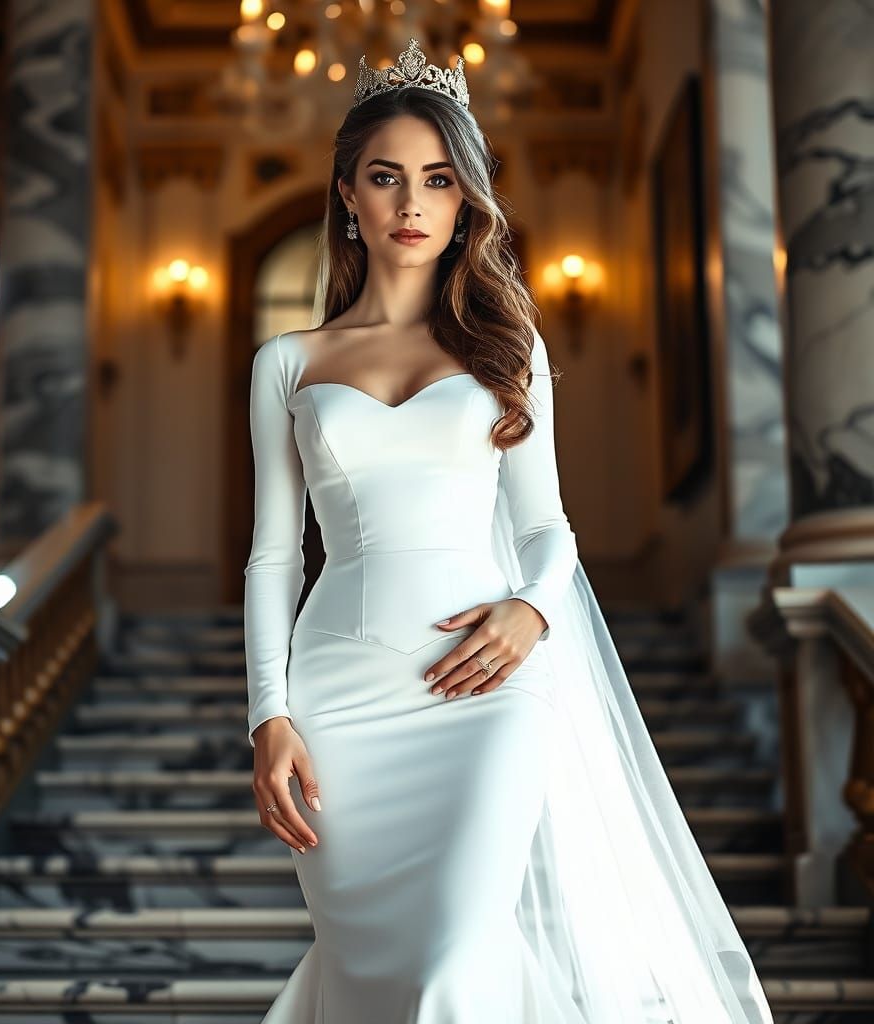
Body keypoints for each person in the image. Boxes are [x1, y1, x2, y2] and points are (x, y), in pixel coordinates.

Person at [242, 37, 775, 1024]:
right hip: (337, 697)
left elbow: (546, 524)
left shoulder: (506, 344)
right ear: (347, 195)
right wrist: (268, 715)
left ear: (464, 203)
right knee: (376, 972)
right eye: (385, 177)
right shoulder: (287, 360)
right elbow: (274, 554)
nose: (411, 203)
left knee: (455, 951)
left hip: (489, 688)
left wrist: (532, 610)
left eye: (438, 179)